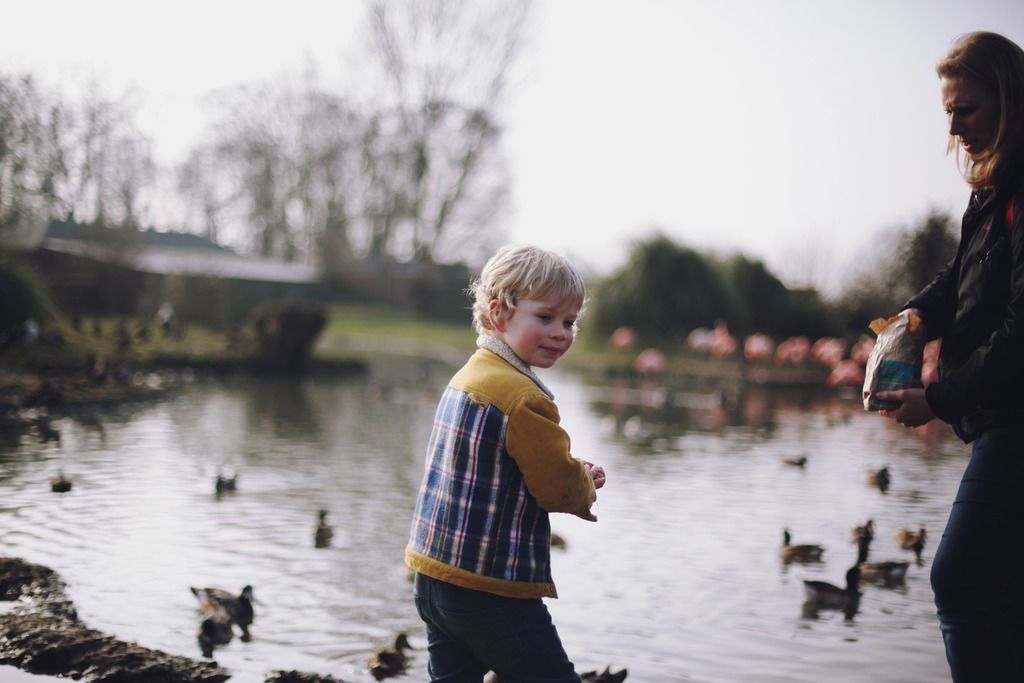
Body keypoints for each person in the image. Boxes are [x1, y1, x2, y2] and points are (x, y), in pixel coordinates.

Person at [877, 31, 1024, 682]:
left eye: (967, 107)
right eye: (948, 111)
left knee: (958, 578)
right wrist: (907, 320)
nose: (955, 125)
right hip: (994, 417)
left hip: (1015, 421)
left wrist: (939, 397)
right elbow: (960, 276)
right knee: (1003, 594)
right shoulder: (990, 191)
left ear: (1010, 98)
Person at [405, 244, 606, 683]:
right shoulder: (524, 398)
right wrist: (585, 482)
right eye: (546, 317)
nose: (561, 332)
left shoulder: (467, 379)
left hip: (432, 574)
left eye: (569, 322)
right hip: (489, 588)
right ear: (499, 314)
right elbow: (556, 487)